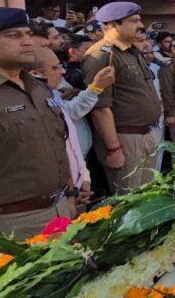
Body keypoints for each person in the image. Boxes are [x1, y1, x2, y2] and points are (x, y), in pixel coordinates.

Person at [0, 8, 71, 238]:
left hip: (59, 209)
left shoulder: (35, 85)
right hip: (10, 224)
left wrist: (69, 195)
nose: (27, 42)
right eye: (14, 36)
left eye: (27, 34)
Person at [82, 2, 162, 195]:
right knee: (129, 202)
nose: (140, 25)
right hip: (125, 139)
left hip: (144, 135)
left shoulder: (131, 52)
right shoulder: (103, 55)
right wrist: (113, 149)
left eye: (139, 20)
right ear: (112, 25)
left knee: (147, 198)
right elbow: (100, 108)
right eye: (133, 21)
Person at [29, 47, 114, 215]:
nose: (62, 71)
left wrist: (84, 177)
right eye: (55, 68)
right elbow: (72, 113)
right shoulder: (37, 100)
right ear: (35, 73)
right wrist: (95, 87)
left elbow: (71, 145)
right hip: (61, 192)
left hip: (78, 180)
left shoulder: (53, 91)